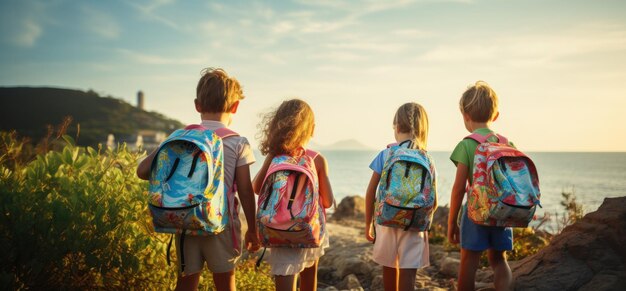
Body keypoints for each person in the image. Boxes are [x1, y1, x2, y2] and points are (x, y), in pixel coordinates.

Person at [137, 68, 260, 291]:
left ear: (197, 105)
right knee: (225, 285)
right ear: (235, 107)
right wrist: (252, 228)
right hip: (220, 225)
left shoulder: (179, 137)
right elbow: (245, 190)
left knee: (185, 284)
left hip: (185, 221)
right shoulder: (238, 143)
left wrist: (169, 146)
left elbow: (142, 171)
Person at [252, 99, 334, 291]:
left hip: (278, 230)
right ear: (311, 129)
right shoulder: (317, 159)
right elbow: (328, 201)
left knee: (285, 278)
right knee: (309, 276)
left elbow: (256, 188)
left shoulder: (274, 156)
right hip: (308, 229)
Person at [447, 81, 513, 291]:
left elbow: (458, 189)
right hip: (503, 211)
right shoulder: (507, 144)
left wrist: (452, 222)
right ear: (495, 116)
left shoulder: (467, 144)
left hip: (476, 213)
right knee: (499, 260)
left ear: (465, 116)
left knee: (469, 262)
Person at [364, 102, 437, 291]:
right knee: (408, 271)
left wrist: (368, 223)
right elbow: (433, 200)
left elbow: (371, 192)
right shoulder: (427, 159)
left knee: (389, 266)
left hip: (387, 220)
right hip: (414, 223)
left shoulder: (386, 154)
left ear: (396, 126)